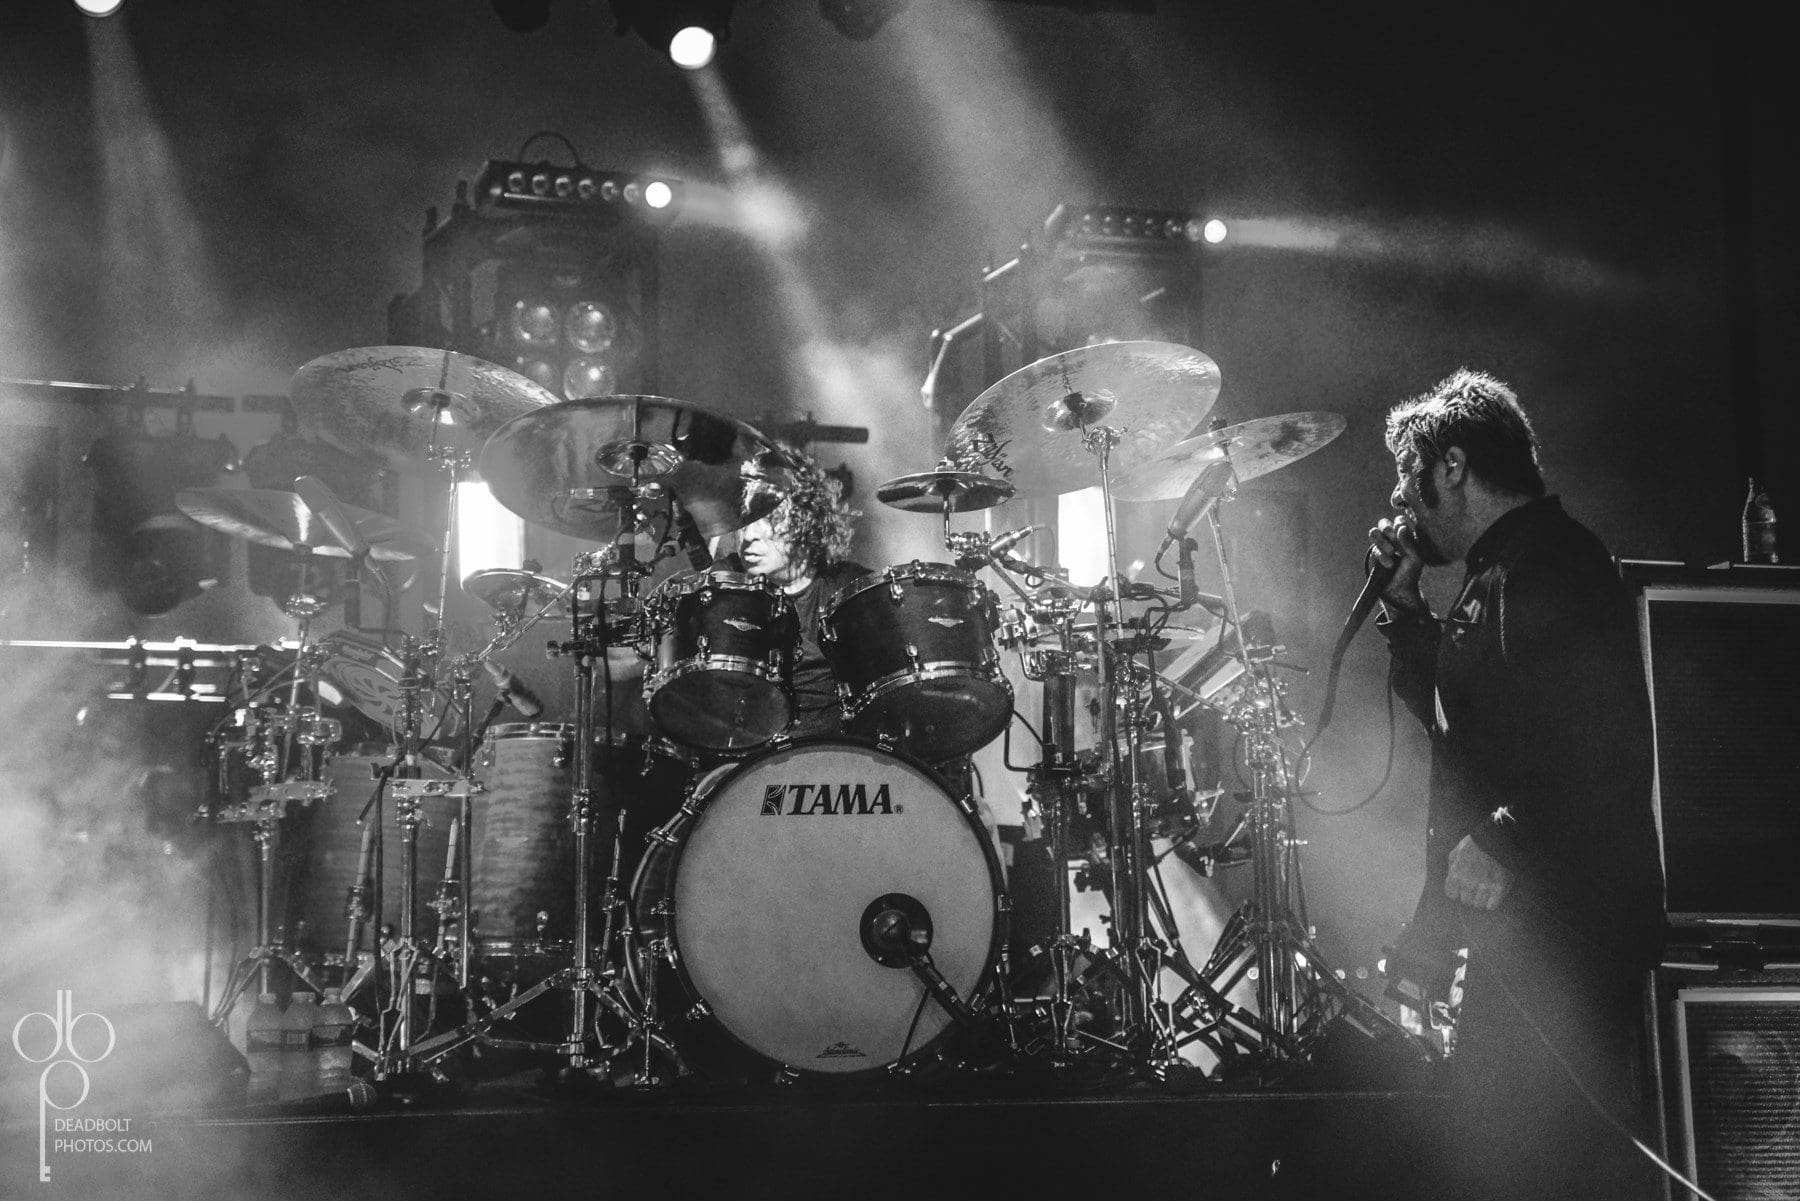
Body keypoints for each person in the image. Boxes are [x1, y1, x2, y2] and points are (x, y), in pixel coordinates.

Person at [1366, 369, 1664, 1200]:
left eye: (1408, 474)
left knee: (1556, 1168)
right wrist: (1405, 609)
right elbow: (1464, 731)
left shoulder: (1552, 564)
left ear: (1453, 466)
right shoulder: (1498, 569)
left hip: (1573, 932)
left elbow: (1602, 740)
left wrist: (1504, 836)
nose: (1401, 499)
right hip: (1533, 931)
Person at [723, 449, 869, 740]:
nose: (749, 535)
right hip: (750, 753)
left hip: (838, 753)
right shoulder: (723, 586)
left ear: (806, 519)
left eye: (768, 517)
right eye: (745, 520)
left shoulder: (853, 590)